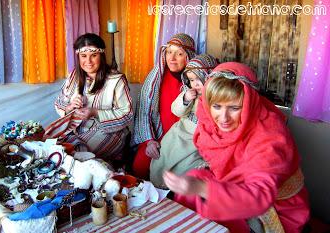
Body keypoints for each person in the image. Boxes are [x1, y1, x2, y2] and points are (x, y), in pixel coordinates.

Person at [163, 62, 310, 233]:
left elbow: (260, 196)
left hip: (276, 207)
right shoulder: (209, 123)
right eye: (216, 106)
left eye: (234, 108)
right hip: (237, 191)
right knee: (196, 176)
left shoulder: (270, 135)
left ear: (250, 103)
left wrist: (202, 188)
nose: (223, 118)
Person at [54, 33, 133, 160]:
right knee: (55, 147)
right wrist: (69, 107)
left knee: (76, 155)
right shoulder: (74, 76)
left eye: (94, 56)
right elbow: (59, 102)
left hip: (108, 132)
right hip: (77, 130)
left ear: (101, 56)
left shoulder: (116, 80)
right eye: (83, 56)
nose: (88, 61)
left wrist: (95, 112)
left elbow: (127, 114)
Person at [132, 33, 197, 179]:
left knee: (178, 173)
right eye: (169, 52)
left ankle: (169, 201)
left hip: (183, 139)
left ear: (188, 56)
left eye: (179, 53)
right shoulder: (156, 77)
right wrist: (149, 141)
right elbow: (144, 112)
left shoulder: (195, 81)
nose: (172, 58)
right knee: (140, 165)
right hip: (157, 135)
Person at [150, 54, 218, 188]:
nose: (195, 84)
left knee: (185, 165)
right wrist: (186, 99)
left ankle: (175, 187)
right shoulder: (190, 94)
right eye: (192, 80)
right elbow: (176, 111)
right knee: (163, 157)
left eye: (199, 79)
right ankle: (159, 184)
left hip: (196, 139)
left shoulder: (215, 99)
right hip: (179, 132)